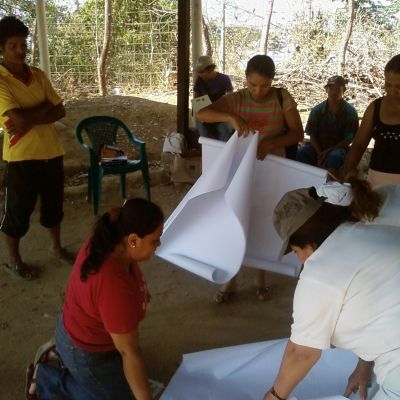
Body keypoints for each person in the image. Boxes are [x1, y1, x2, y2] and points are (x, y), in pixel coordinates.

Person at [262, 179, 400, 400]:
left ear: (309, 245)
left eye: (297, 251)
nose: (300, 260)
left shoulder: (319, 272)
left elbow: (300, 354)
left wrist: (275, 396)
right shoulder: (377, 234)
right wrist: (365, 364)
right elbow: (385, 309)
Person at [26, 198, 164, 400]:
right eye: (155, 240)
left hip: (77, 329)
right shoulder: (113, 286)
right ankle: (50, 379)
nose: (158, 244)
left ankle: (66, 363)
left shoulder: (109, 241)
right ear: (133, 240)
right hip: (85, 351)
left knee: (131, 378)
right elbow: (129, 352)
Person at [197, 54, 304, 303]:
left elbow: (297, 132)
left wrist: (271, 143)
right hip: (239, 171)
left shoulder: (282, 97)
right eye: (253, 84)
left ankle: (260, 280)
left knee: (265, 222)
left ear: (272, 82)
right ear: (245, 79)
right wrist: (231, 117)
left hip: (272, 170)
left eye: (264, 85)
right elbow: (202, 114)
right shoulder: (237, 99)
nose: (258, 90)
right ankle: (229, 281)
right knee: (235, 220)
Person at [0, 16, 73, 280]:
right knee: (17, 213)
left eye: (23, 44)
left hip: (51, 152)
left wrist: (27, 116)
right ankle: (14, 261)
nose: (21, 50)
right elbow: (16, 121)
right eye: (13, 46)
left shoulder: (38, 75)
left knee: (54, 207)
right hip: (21, 157)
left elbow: (60, 110)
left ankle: (57, 248)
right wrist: (44, 110)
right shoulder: (1, 80)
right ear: (2, 49)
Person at [343, 54, 400, 187]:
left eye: (399, 87)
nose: (392, 91)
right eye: (388, 84)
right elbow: (359, 145)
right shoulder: (376, 107)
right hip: (377, 181)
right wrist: (348, 171)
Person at [296, 75, 359, 175]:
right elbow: (312, 136)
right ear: (326, 90)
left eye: (338, 89)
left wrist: (328, 152)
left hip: (338, 149)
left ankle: (330, 183)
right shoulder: (317, 110)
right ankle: (302, 178)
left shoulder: (350, 112)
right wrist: (320, 153)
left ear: (344, 90)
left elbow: (348, 139)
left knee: (335, 157)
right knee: (301, 152)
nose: (334, 92)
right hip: (317, 147)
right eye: (331, 88)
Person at [193, 55, 234, 141]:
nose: (200, 74)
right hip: (206, 113)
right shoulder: (199, 81)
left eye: (202, 71)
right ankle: (207, 149)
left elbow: (230, 100)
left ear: (210, 69)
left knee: (226, 129)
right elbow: (196, 102)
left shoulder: (224, 79)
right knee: (201, 128)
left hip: (221, 113)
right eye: (199, 72)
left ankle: (223, 151)